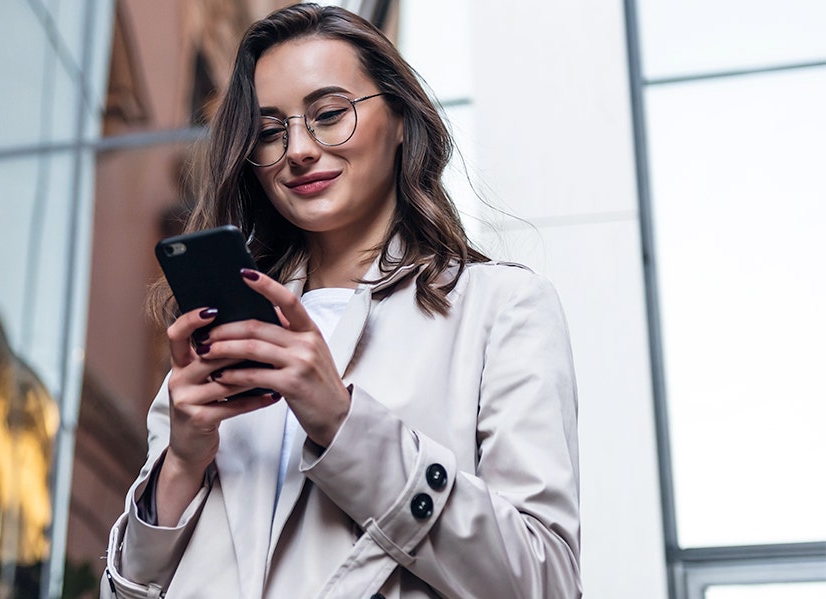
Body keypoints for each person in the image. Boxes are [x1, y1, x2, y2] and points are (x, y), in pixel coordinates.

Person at [101, 4, 580, 598]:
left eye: (329, 114)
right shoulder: (220, 335)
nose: (298, 150)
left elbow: (545, 581)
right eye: (270, 131)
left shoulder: (502, 308)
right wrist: (180, 465)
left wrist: (343, 424)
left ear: (402, 118)